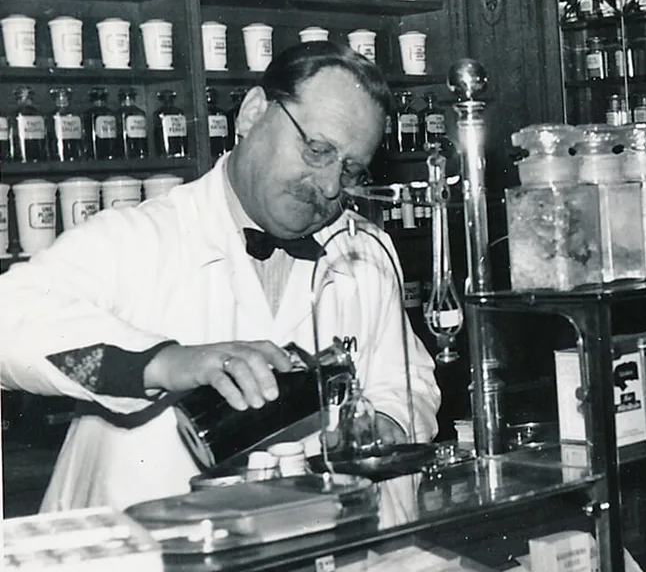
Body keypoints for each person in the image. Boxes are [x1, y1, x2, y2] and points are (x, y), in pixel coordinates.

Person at [0, 42, 440, 512]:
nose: (331, 186)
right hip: (142, 561)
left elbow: (406, 383)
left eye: (350, 169)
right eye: (317, 150)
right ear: (252, 114)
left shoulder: (363, 251)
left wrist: (385, 423)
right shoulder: (139, 235)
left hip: (304, 551)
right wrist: (166, 362)